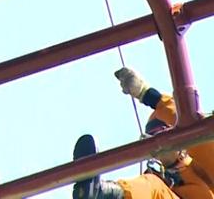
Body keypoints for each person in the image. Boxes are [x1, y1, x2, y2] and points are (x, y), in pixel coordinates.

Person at [71, 68, 214, 199]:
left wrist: (146, 94)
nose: (160, 142)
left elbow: (194, 131)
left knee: (200, 135)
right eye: (154, 136)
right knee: (151, 185)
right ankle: (100, 193)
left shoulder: (197, 165)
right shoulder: (157, 179)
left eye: (163, 134)